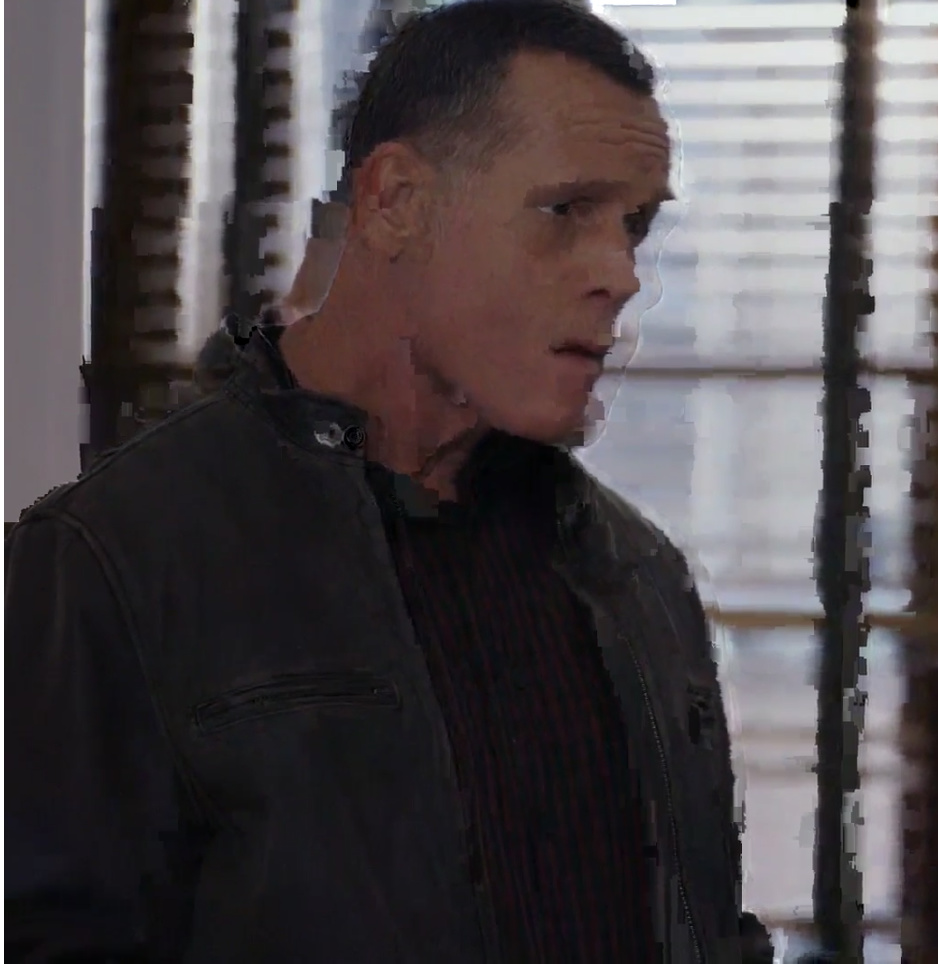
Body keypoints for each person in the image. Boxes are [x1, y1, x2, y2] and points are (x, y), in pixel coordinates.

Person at [7, 2, 771, 962]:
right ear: (395, 201)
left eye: (636, 226)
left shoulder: (636, 574)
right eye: (566, 212)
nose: (620, 274)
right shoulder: (116, 558)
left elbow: (711, 929)